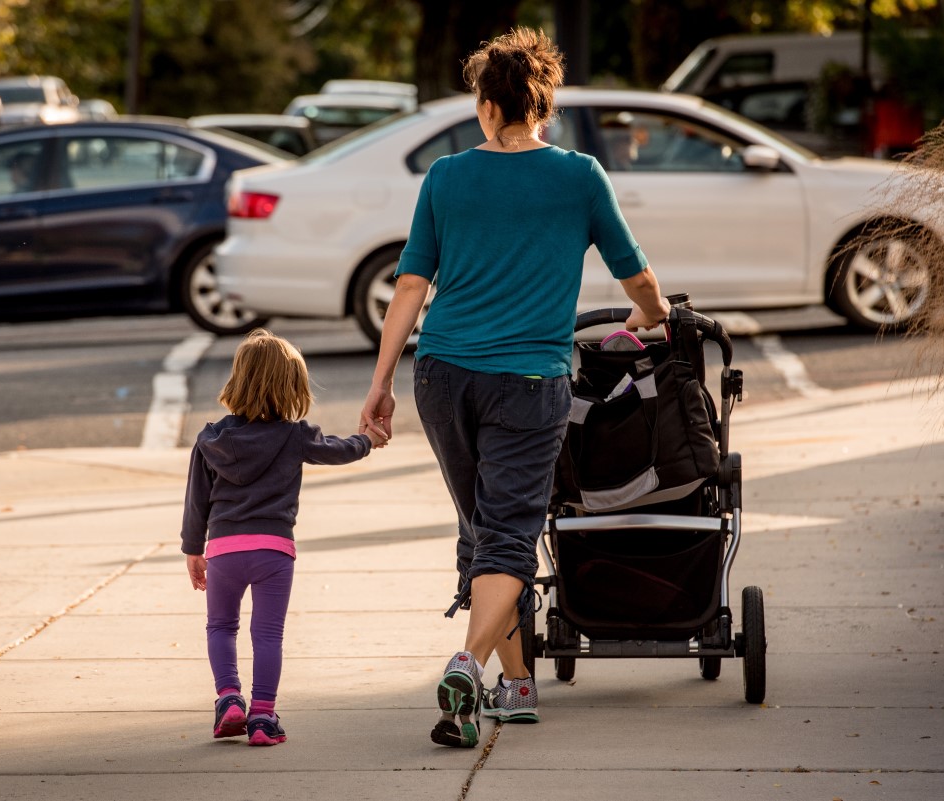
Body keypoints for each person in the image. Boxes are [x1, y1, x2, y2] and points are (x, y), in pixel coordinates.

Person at [359, 27, 670, 749]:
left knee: (480, 528)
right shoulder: (580, 175)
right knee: (505, 534)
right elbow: (641, 279)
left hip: (442, 374)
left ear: (486, 106)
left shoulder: (446, 177)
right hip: (529, 381)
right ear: (543, 105)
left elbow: (410, 285)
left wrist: (380, 383)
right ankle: (469, 666)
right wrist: (649, 317)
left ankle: (516, 684)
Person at [181, 329, 386, 747]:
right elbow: (338, 449)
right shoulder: (295, 435)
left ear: (237, 380)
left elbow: (195, 502)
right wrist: (368, 439)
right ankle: (262, 716)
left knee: (221, 625)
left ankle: (228, 699)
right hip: (274, 550)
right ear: (291, 386)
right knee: (267, 634)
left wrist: (192, 550)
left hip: (223, 551)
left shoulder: (210, 440)